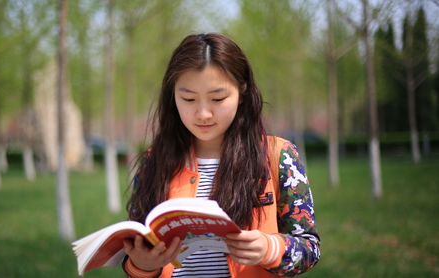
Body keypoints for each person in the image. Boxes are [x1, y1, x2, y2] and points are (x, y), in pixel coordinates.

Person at [121, 33, 320, 278]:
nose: (203, 113)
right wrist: (142, 266)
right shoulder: (154, 161)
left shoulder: (278, 155)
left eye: (217, 98)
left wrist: (270, 249)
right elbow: (136, 257)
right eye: (188, 99)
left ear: (242, 93)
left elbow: (309, 248)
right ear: (172, 97)